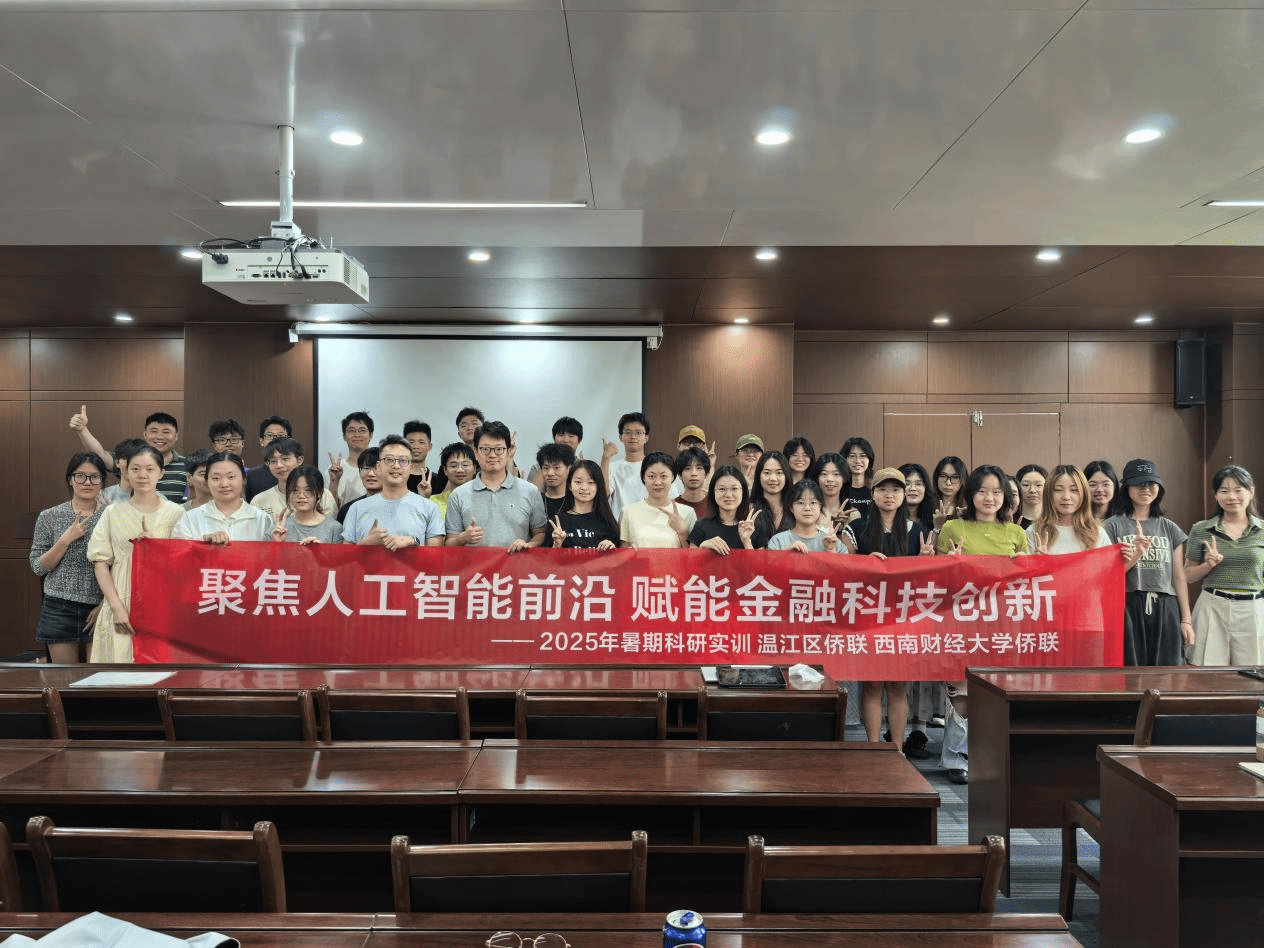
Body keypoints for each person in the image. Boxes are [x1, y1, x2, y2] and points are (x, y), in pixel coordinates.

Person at [936, 464, 1029, 785]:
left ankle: (990, 756)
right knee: (960, 691)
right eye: (982, 491)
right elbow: (935, 581)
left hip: (1003, 624)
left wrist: (1032, 564)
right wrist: (950, 565)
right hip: (962, 622)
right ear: (970, 494)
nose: (990, 498)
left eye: (997, 491)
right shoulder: (953, 528)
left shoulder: (1016, 533)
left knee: (997, 691)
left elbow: (1028, 583)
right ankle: (956, 757)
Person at [847, 468, 932, 746]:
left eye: (896, 490)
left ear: (904, 495)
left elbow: (925, 580)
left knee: (897, 685)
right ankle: (873, 747)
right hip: (867, 617)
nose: (889, 495)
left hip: (902, 619)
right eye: (883, 489)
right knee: (872, 684)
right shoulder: (857, 528)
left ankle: (897, 749)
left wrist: (924, 561)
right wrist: (863, 562)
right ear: (872, 494)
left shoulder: (917, 531)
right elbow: (842, 570)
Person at [86, 444, 184, 663]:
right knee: (118, 670)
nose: (142, 475)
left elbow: (184, 563)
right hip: (121, 601)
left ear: (161, 473)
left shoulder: (177, 513)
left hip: (162, 604)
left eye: (150, 469)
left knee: (159, 671)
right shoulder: (112, 513)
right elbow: (100, 562)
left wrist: (156, 547)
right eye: (136, 469)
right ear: (126, 472)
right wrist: (115, 607)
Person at [1103, 459, 1192, 667]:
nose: (1145, 489)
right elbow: (1107, 578)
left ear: (1159, 488)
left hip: (1166, 606)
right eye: (1138, 484)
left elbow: (1179, 577)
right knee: (1130, 670)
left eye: (1151, 483)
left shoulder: (1170, 528)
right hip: (1127, 605)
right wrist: (1136, 555)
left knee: (1167, 672)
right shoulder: (1111, 526)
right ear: (1126, 488)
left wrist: (1186, 620)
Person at [30, 452, 109, 663]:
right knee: (63, 678)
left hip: (100, 607)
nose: (87, 482)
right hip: (59, 608)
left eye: (95, 477)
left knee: (98, 677)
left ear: (102, 482)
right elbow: (38, 567)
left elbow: (121, 567)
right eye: (80, 476)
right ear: (70, 480)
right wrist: (65, 539)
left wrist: (106, 605)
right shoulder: (50, 516)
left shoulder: (111, 516)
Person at [1185, 465, 1264, 666]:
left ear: (1251, 492)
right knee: (1208, 673)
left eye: (1238, 490)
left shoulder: (1262, 530)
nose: (1232, 497)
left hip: (1253, 608)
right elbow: (1188, 576)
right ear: (1216, 495)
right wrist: (1207, 565)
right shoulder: (1201, 529)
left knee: (1252, 674)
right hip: (1212, 606)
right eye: (1224, 490)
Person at [446, 421, 547, 552]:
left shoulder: (530, 491)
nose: (492, 455)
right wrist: (463, 538)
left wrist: (528, 545)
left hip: (517, 564)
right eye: (485, 449)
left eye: (499, 449)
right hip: (474, 565)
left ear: (509, 451)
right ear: (475, 452)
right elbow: (449, 543)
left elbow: (540, 533)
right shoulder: (458, 495)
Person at [898, 460, 940, 758]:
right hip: (893, 606)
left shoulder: (934, 522)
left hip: (926, 605)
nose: (912, 489)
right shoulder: (886, 519)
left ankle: (920, 732)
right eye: (907, 484)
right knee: (897, 671)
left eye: (918, 483)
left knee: (922, 670)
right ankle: (895, 730)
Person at [69, 407, 188, 504]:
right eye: (154, 431)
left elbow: (189, 498)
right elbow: (101, 454)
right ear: (145, 434)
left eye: (166, 432)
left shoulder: (187, 465)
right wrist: (82, 430)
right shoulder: (127, 459)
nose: (160, 436)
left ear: (176, 436)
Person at [345, 436, 445, 548]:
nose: (396, 466)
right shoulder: (357, 508)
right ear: (378, 466)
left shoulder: (430, 508)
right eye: (389, 460)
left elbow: (436, 555)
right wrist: (365, 544)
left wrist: (414, 541)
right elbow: (345, 556)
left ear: (410, 467)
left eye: (403, 461)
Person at [174, 452, 274, 543]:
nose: (224, 484)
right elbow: (180, 553)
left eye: (231, 477)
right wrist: (204, 542)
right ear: (207, 481)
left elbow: (269, 554)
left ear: (243, 479)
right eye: (216, 478)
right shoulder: (190, 519)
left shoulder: (262, 520)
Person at [619, 451, 696, 549]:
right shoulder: (628, 512)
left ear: (672, 477)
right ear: (643, 477)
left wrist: (682, 532)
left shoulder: (687, 512)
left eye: (663, 476)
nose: (657, 482)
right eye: (651, 476)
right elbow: (622, 554)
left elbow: (693, 555)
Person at [1027, 465, 1111, 554]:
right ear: (1048, 494)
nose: (1066, 497)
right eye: (1058, 490)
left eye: (1074, 490)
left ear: (1084, 494)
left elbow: (1110, 562)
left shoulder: (1097, 532)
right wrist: (1037, 560)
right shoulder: (1034, 532)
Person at [252, 438, 337, 521]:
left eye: (285, 459)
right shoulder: (259, 501)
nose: (279, 465)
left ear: (300, 460)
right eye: (273, 461)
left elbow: (331, 527)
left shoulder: (323, 495)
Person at [690, 464, 764, 554]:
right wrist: (702, 547)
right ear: (713, 492)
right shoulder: (701, 526)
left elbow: (761, 563)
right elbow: (690, 561)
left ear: (743, 492)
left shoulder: (753, 527)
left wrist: (746, 541)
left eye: (734, 488)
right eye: (722, 489)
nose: (728, 495)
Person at [550, 460, 619, 550]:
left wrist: (610, 548)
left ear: (598, 486)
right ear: (570, 485)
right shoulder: (557, 522)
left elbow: (619, 557)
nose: (584, 488)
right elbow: (544, 557)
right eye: (578, 482)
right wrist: (557, 545)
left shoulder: (607, 522)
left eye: (590, 482)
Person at [603, 412, 659, 522]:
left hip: (650, 526)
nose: (633, 437)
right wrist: (606, 458)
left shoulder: (656, 467)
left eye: (638, 433)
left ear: (646, 438)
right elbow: (603, 493)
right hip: (621, 528)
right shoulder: (612, 467)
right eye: (628, 432)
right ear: (621, 437)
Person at [766, 479, 844, 553]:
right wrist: (786, 553)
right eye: (801, 503)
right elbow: (768, 563)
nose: (807, 508)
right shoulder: (778, 541)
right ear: (791, 508)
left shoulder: (833, 542)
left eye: (813, 503)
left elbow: (846, 562)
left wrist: (832, 552)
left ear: (820, 506)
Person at [273, 467, 344, 544]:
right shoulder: (280, 527)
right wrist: (278, 543)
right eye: (295, 490)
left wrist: (320, 549)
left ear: (319, 493)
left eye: (308, 490)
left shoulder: (334, 528)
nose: (301, 496)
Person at [328, 411, 374, 506]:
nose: (357, 435)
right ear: (344, 436)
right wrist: (334, 482)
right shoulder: (334, 470)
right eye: (351, 431)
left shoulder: (380, 467)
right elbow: (329, 509)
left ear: (371, 435)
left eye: (362, 430)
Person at [529, 416, 585, 488]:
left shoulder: (584, 468)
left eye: (571, 436)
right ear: (554, 438)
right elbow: (532, 493)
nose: (566, 440)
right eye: (561, 435)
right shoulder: (538, 469)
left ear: (579, 440)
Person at [246, 416, 292, 500]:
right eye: (270, 435)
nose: (275, 440)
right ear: (261, 441)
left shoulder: (300, 474)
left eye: (281, 436)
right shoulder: (251, 476)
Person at [751, 450, 793, 539]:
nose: (773, 478)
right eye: (767, 473)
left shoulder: (795, 509)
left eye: (779, 473)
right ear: (759, 476)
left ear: (786, 476)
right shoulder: (749, 509)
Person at [430, 442, 475, 517]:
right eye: (454, 466)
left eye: (465, 465)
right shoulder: (433, 502)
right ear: (445, 470)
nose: (460, 470)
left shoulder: (485, 499)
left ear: (475, 468)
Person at [810, 452, 849, 538]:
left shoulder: (852, 514)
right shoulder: (809, 511)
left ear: (844, 478)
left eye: (836, 474)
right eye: (824, 474)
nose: (830, 479)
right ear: (817, 478)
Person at [336, 447, 380, 524]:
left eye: (376, 468)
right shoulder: (348, 510)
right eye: (366, 468)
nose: (371, 474)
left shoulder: (398, 506)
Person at [535, 442, 576, 520]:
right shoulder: (535, 500)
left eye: (556, 468)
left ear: (568, 469)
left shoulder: (576, 501)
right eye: (546, 468)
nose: (550, 473)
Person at [841, 436, 875, 524]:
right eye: (852, 456)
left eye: (862, 456)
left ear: (869, 459)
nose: (857, 461)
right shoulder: (838, 490)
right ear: (844, 459)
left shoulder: (875, 489)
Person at [101, 438, 145, 505]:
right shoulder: (102, 496)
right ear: (117, 462)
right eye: (127, 459)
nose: (131, 465)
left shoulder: (157, 499)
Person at [674, 447, 711, 519]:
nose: (694, 473)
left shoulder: (716, 505)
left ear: (706, 474)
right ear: (680, 475)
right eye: (688, 468)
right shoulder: (673, 506)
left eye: (699, 468)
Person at [932, 455, 968, 529]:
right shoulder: (927, 504)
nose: (948, 483)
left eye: (955, 477)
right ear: (936, 478)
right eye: (943, 476)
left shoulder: (967, 508)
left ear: (963, 480)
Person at [403, 420, 437, 496]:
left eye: (421, 442)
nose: (416, 447)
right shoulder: (396, 477)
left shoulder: (437, 480)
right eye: (411, 442)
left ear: (430, 447)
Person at [900, 462, 936, 532]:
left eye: (918, 484)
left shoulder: (934, 520)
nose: (913, 488)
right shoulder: (890, 520)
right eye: (907, 484)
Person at [1016, 464, 1048, 528]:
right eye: (1026, 485)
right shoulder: (1010, 519)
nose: (1032, 490)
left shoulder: (1054, 520)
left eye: (1038, 485)